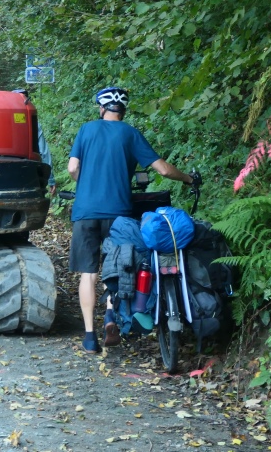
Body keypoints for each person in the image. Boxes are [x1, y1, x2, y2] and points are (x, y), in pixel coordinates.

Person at [67, 87, 195, 353]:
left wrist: (85, 184)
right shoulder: (130, 133)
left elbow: (72, 168)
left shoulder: (86, 130)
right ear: (123, 111)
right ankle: (112, 316)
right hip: (119, 214)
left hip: (86, 212)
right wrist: (189, 178)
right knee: (119, 266)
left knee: (88, 274)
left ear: (101, 108)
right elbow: (161, 168)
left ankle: (90, 337)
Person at [14, 89, 57, 196]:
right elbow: (43, 152)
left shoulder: (2, 121)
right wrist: (50, 179)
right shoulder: (33, 123)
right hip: (30, 172)